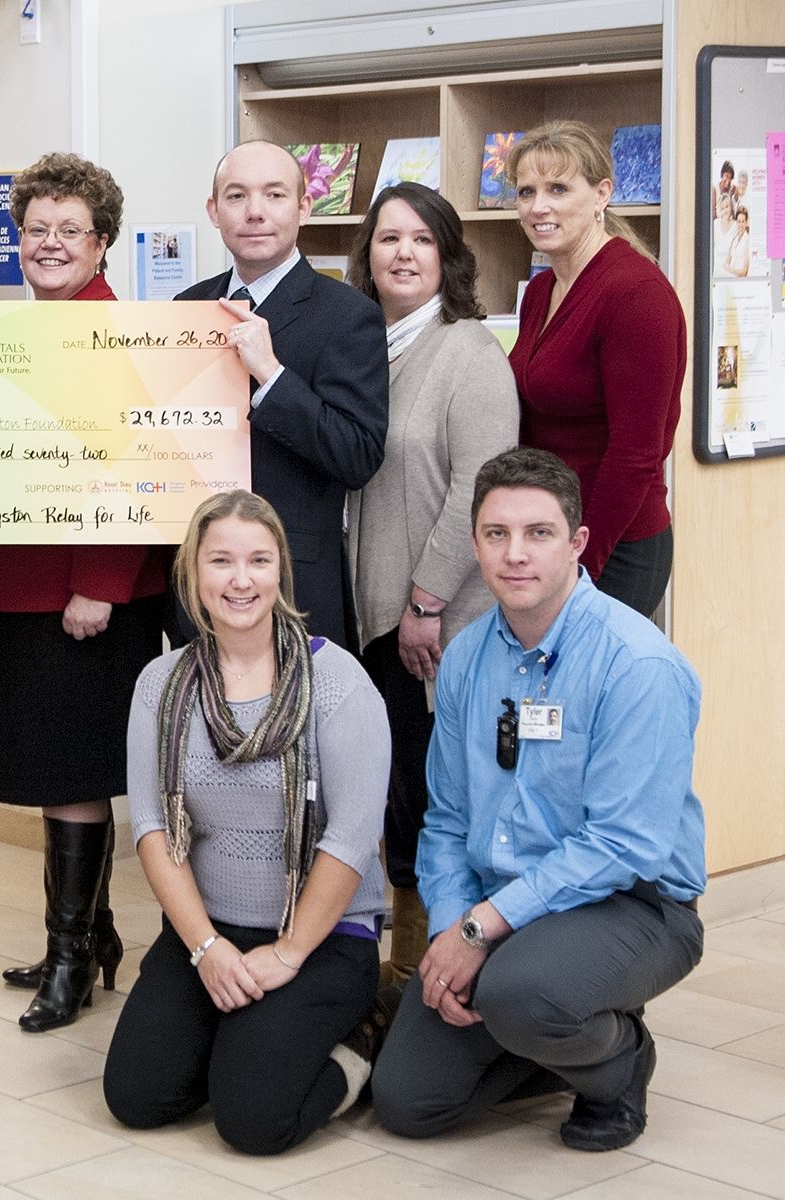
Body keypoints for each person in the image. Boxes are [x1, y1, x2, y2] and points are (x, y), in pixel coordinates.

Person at [371, 447, 706, 1153]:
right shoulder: (465, 658)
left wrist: (478, 932)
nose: (515, 555)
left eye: (539, 533)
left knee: (519, 992)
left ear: (577, 543)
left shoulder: (636, 664)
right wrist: (449, 932)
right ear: (475, 544)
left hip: (634, 904)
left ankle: (618, 1059)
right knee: (408, 1100)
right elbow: (449, 818)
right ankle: (547, 1027)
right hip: (503, 908)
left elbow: (623, 845)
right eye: (497, 534)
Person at [101, 491, 390, 1155]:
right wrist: (205, 948)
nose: (241, 579)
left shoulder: (337, 681)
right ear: (192, 574)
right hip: (211, 928)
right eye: (222, 560)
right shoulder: (161, 684)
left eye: (259, 560)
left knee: (254, 1123)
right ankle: (241, 1044)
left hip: (319, 936)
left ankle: (360, 1044)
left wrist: (288, 954)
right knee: (137, 1098)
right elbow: (151, 826)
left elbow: (350, 840)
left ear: (280, 570)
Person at [0, 152, 168, 1033]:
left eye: (68, 231)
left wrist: (100, 584)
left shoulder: (116, 333)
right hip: (10, 586)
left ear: (102, 243)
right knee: (50, 771)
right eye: (35, 230)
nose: (48, 245)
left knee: (75, 772)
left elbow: (135, 467)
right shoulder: (16, 327)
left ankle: (73, 963)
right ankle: (87, 936)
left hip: (81, 596)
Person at [343, 183, 518, 994]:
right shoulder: (365, 347)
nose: (403, 253)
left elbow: (479, 491)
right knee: (394, 793)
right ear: (367, 256)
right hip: (378, 617)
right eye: (387, 240)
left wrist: (425, 603)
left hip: (437, 621)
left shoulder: (467, 352)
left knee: (432, 800)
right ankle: (404, 961)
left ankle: (428, 968)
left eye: (421, 238)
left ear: (447, 255)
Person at [174, 139, 389, 650]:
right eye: (236, 196)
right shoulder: (188, 306)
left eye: (274, 195)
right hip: (196, 587)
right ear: (214, 211)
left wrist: (271, 374)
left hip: (296, 587)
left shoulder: (348, 314)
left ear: (303, 207)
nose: (254, 213)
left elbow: (358, 455)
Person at [506, 121, 686, 619]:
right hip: (555, 536)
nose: (538, 206)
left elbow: (637, 455)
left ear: (602, 193)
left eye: (558, 188)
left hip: (613, 545)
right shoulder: (543, 289)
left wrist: (580, 559)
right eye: (527, 191)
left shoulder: (636, 294)